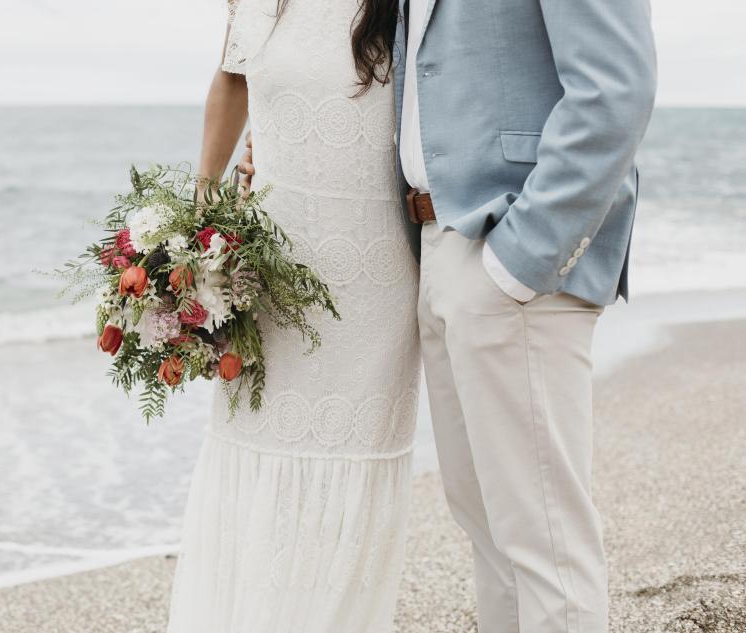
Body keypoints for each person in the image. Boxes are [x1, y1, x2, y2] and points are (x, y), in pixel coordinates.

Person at [237, 0, 658, 631]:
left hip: (508, 246)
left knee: (545, 538)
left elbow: (617, 90)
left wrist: (520, 262)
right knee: (487, 525)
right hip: (436, 241)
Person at [166, 1, 421, 632]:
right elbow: (231, 80)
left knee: (351, 468)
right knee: (256, 456)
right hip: (273, 266)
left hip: (376, 277)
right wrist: (203, 217)